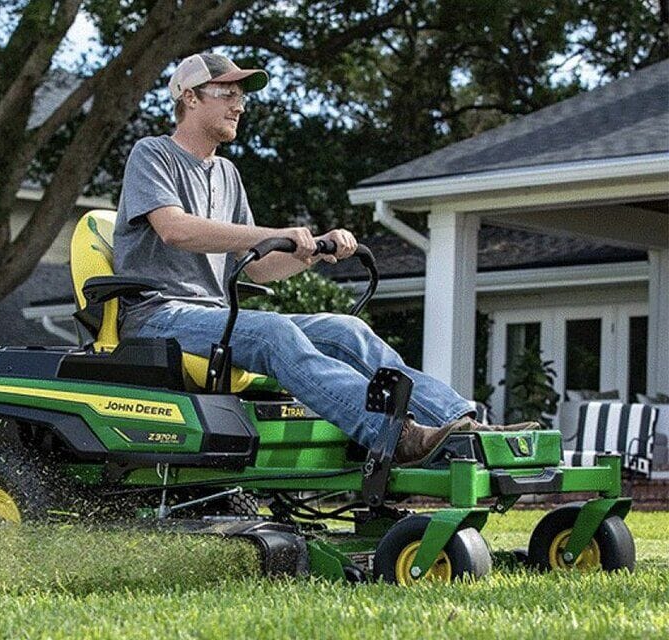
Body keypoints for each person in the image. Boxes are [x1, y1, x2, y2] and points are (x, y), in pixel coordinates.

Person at [114, 53, 535, 467]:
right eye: (228, 93)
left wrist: (311, 251)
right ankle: (393, 434)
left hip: (211, 316)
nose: (239, 104)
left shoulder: (226, 174)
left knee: (346, 329)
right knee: (273, 333)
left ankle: (458, 424)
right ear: (189, 97)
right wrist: (276, 235)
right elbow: (175, 229)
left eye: (242, 95)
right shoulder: (153, 154)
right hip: (156, 315)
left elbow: (257, 266)